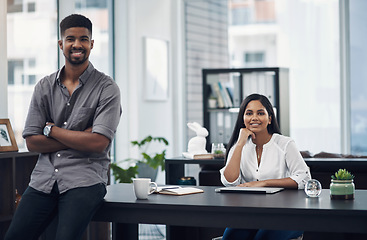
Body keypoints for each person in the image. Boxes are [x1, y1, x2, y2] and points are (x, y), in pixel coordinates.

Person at [5, 14, 121, 240]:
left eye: (83, 39)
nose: (77, 44)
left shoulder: (107, 88)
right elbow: (31, 142)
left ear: (92, 44)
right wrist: (80, 136)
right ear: (61, 44)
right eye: (70, 39)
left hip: (85, 179)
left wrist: (52, 130)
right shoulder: (44, 86)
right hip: (44, 179)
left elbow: (98, 143)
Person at [220, 93, 310, 240]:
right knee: (231, 238)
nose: (254, 117)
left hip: (287, 215)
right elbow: (229, 181)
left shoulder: (285, 144)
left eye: (260, 113)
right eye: (249, 113)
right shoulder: (239, 146)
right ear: (243, 118)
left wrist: (264, 183)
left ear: (269, 119)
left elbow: (304, 178)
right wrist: (241, 142)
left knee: (263, 238)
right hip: (249, 215)